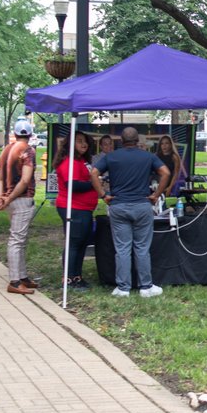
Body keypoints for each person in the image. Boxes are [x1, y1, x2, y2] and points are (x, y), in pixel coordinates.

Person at [89, 127, 171, 298]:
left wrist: (103, 195)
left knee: (122, 249)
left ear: (121, 140)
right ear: (137, 141)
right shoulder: (148, 156)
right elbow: (166, 172)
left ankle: (123, 288)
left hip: (118, 206)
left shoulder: (111, 156)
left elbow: (94, 173)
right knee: (142, 247)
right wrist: (156, 195)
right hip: (142, 205)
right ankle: (146, 287)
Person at [54, 131, 106, 290]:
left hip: (84, 209)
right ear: (71, 144)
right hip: (74, 208)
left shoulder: (82, 161)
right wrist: (94, 184)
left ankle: (77, 276)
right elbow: (73, 185)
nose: (83, 144)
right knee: (74, 243)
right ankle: (68, 279)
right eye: (79, 141)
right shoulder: (69, 162)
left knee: (82, 243)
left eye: (85, 141)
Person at [0, 119, 39, 295]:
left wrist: (1, 197)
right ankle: (15, 281)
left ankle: (22, 277)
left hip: (9, 200)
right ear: (29, 135)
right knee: (17, 240)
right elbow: (24, 180)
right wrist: (11, 197)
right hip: (21, 198)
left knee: (19, 239)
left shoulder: (5, 150)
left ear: (14, 133)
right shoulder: (28, 151)